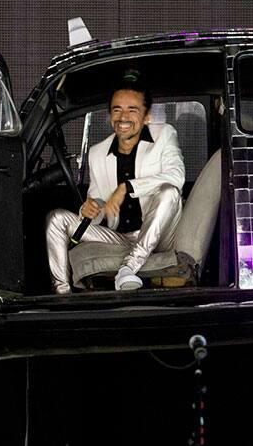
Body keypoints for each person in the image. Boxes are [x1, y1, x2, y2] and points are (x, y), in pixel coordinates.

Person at [46, 73, 185, 293]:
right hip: (120, 238)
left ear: (146, 116)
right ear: (110, 116)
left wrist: (127, 187)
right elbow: (99, 206)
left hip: (160, 235)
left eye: (132, 110)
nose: (123, 117)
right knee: (56, 219)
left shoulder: (164, 135)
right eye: (117, 110)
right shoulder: (97, 153)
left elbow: (176, 176)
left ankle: (128, 268)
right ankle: (63, 294)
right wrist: (90, 208)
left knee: (169, 192)